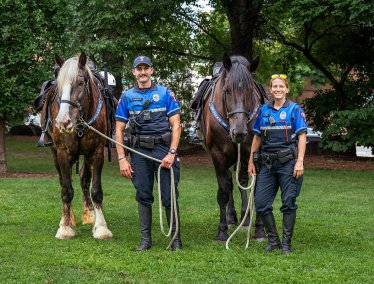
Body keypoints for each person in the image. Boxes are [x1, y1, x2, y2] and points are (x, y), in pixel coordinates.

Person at [115, 55, 182, 251]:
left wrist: (171, 153)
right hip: (139, 152)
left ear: (152, 70)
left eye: (146, 68)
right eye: (139, 69)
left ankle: (176, 240)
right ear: (133, 72)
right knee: (143, 195)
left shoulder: (165, 93)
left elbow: (176, 126)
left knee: (169, 195)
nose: (142, 72)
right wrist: (122, 159)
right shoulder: (126, 97)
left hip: (163, 150)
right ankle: (146, 240)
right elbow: (118, 129)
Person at [248, 74, 307, 254]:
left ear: (287, 89)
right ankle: (274, 241)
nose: (278, 89)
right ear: (270, 90)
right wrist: (251, 160)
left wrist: (299, 162)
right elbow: (257, 136)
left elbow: (302, 137)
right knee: (261, 203)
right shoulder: (263, 111)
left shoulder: (295, 110)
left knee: (288, 202)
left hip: (288, 162)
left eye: (281, 86)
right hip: (267, 164)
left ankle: (286, 244)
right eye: (275, 86)